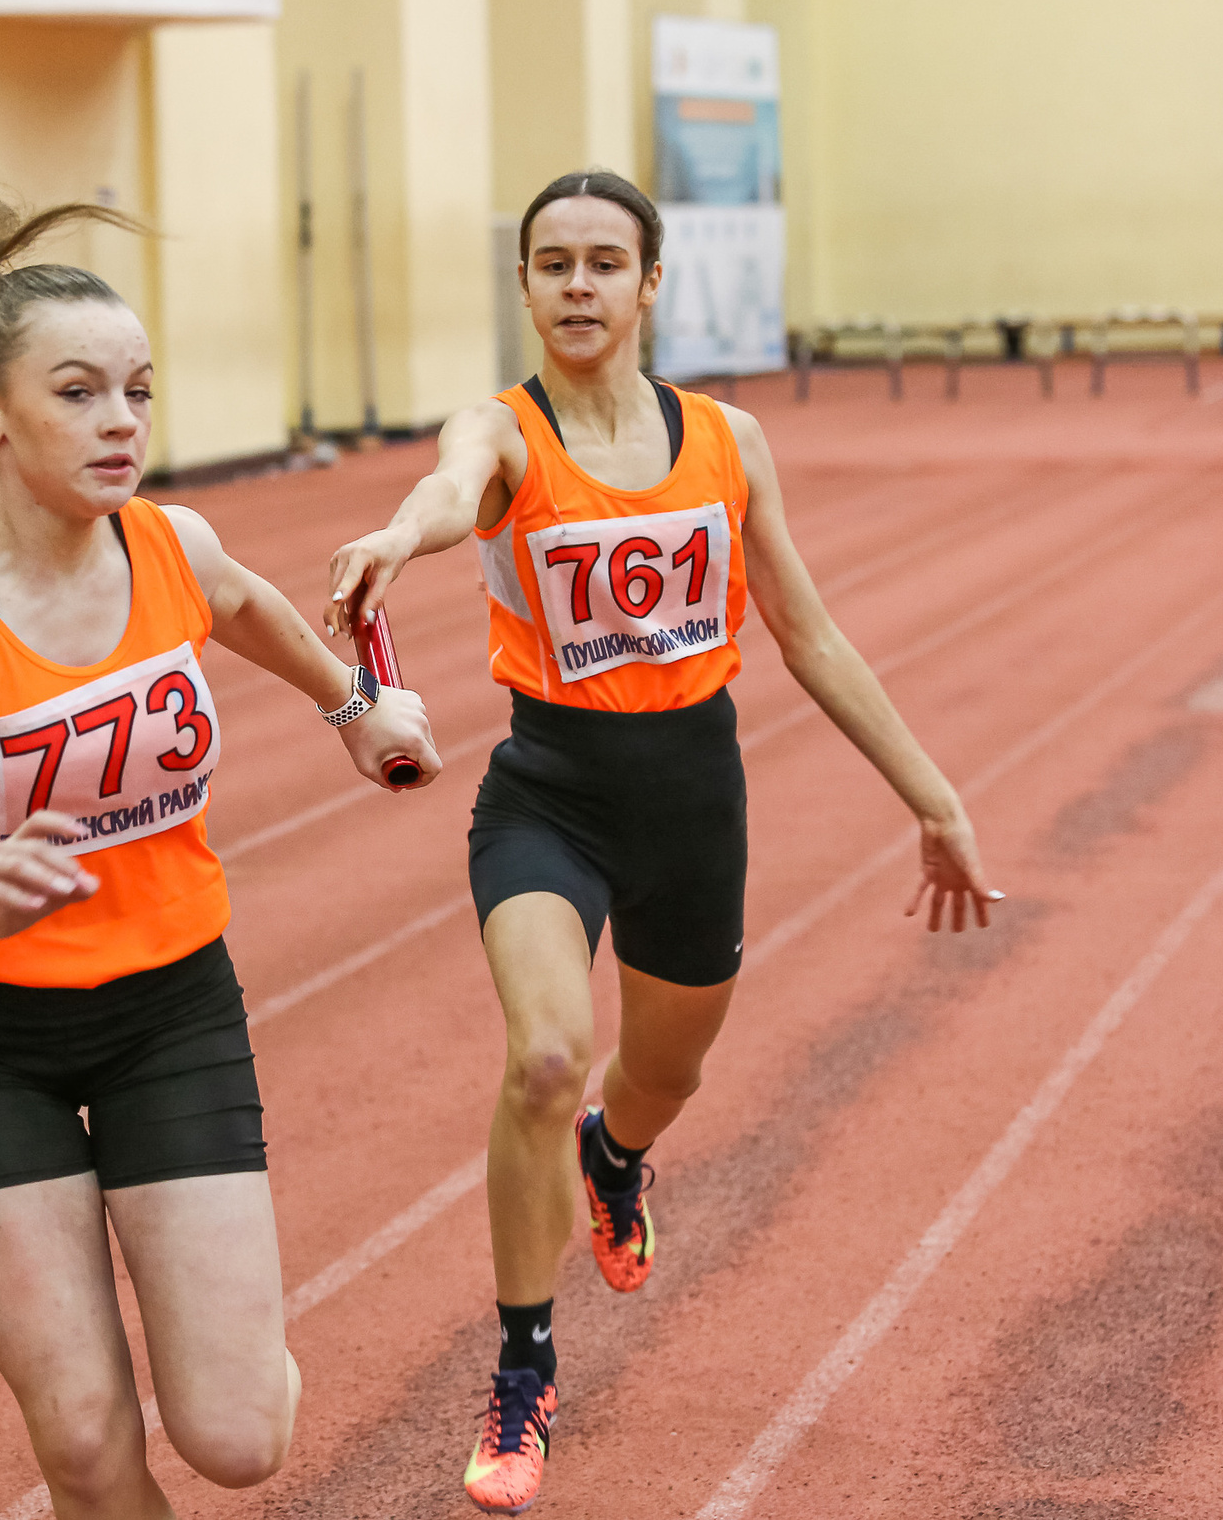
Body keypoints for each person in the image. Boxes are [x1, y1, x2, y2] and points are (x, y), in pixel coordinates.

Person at [324, 170, 1002, 1515]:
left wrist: (934, 797)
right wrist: (403, 530)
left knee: (666, 1068)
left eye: (603, 263)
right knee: (544, 1052)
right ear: (524, 287)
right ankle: (524, 1369)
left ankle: (617, 1152)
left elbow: (805, 632)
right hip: (549, 793)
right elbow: (455, 486)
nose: (578, 285)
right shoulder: (504, 431)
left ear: (649, 284)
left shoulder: (728, 441)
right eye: (553, 263)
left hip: (694, 794)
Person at [0, 185, 441, 1517]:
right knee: (88, 1442)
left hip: (170, 1009)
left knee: (236, 1435)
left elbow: (251, 605)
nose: (122, 424)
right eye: (82, 392)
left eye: (139, 392)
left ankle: (234, 1343)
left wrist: (353, 707)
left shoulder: (172, 540)